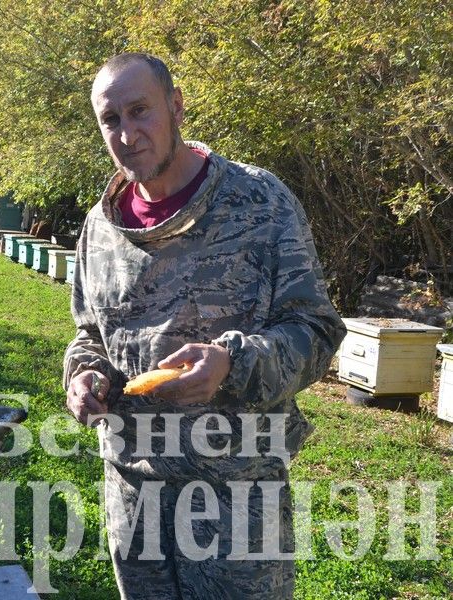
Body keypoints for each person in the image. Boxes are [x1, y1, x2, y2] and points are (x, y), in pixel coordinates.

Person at [63, 53, 346, 599]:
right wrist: (84, 374)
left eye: (140, 111)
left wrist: (233, 364)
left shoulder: (260, 202)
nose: (127, 133)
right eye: (111, 120)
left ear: (176, 107)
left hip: (236, 498)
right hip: (133, 494)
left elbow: (315, 331)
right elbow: (88, 334)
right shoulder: (99, 228)